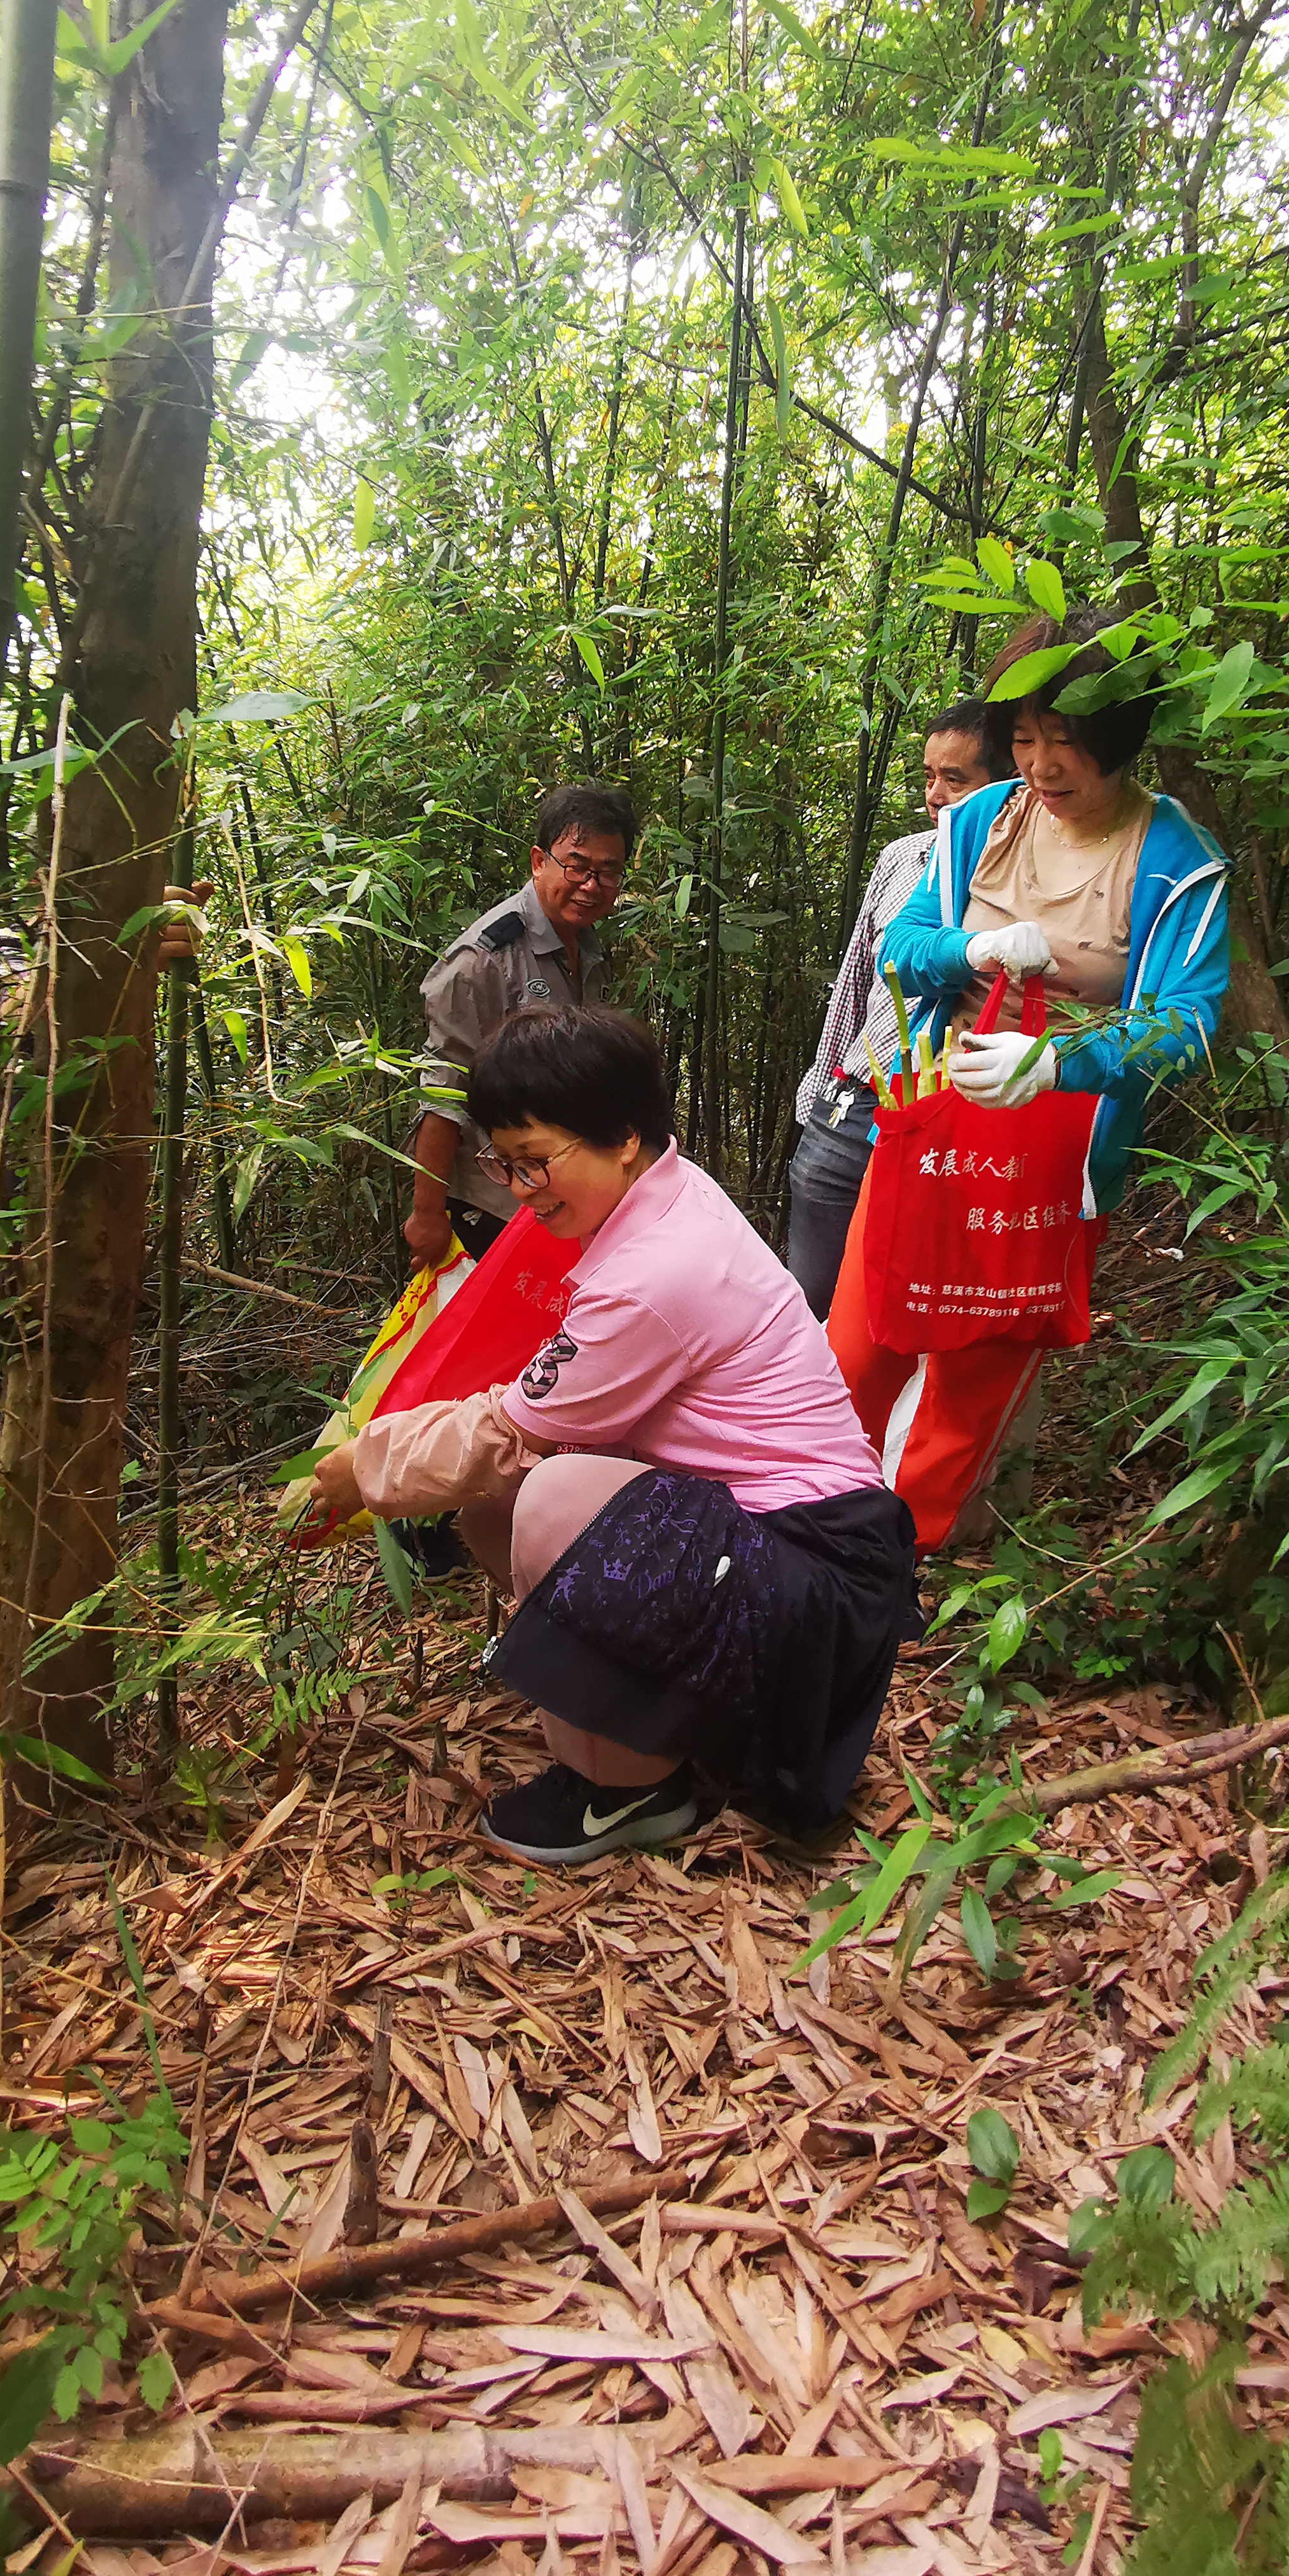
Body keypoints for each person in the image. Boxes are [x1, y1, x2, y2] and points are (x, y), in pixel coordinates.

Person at [307, 1006, 919, 1865]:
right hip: (775, 1552)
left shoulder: (656, 1271)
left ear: (625, 1137)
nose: (524, 1191)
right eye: (506, 1165)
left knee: (549, 1495)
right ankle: (644, 1720)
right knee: (499, 1510)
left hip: (813, 1576)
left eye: (539, 1162)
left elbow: (511, 1431)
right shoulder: (659, 1196)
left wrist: (361, 1468)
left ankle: (629, 1790)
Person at [828, 607, 1231, 1553]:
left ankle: (902, 1554)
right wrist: (971, 945)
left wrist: (1061, 1058)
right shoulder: (979, 823)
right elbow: (902, 945)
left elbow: (1187, 1020)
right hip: (931, 1119)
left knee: (980, 1366)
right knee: (861, 1341)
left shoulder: (1177, 862)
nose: (1042, 765)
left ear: (1119, 738)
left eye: (1065, 741)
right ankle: (815, 1526)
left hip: (1056, 1149)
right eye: (1024, 738)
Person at [787, 700, 1006, 1320]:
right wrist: (818, 1095)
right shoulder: (900, 858)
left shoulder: (1024, 881)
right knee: (809, 1304)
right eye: (928, 776)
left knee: (914, 1311)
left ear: (1004, 783)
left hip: (958, 1126)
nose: (935, 795)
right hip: (853, 1108)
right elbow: (855, 982)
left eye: (955, 778)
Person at [407, 784, 635, 1269]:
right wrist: (426, 1214)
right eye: (576, 866)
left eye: (607, 872)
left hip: (561, 1199)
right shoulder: (482, 961)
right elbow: (443, 1095)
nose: (591, 885)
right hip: (493, 1205)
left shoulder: (586, 942)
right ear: (539, 861)